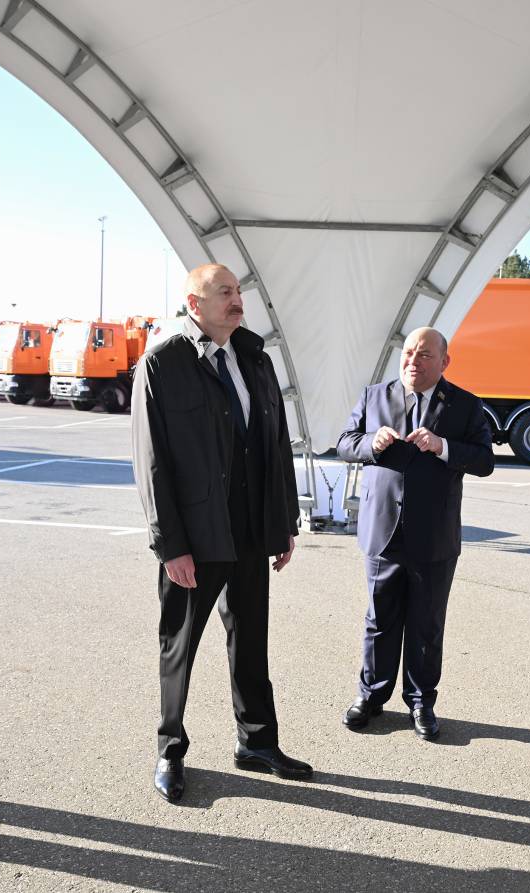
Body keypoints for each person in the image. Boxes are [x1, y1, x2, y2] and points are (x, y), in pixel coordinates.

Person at [131, 262, 310, 803]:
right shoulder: (163, 363)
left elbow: (277, 446)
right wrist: (171, 546)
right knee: (180, 645)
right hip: (197, 535)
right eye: (225, 292)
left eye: (238, 292)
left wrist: (283, 523)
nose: (237, 301)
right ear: (194, 303)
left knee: (251, 640)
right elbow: (152, 462)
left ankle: (257, 743)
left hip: (252, 532)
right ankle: (169, 750)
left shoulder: (255, 358)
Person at [335, 327, 493, 740]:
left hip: (433, 534)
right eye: (408, 353)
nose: (413, 361)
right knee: (379, 619)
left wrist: (442, 446)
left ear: (444, 361)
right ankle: (371, 697)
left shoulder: (464, 404)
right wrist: (372, 443)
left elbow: (484, 461)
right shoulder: (374, 396)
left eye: (424, 355)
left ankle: (421, 702)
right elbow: (345, 444)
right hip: (383, 531)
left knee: (426, 624)